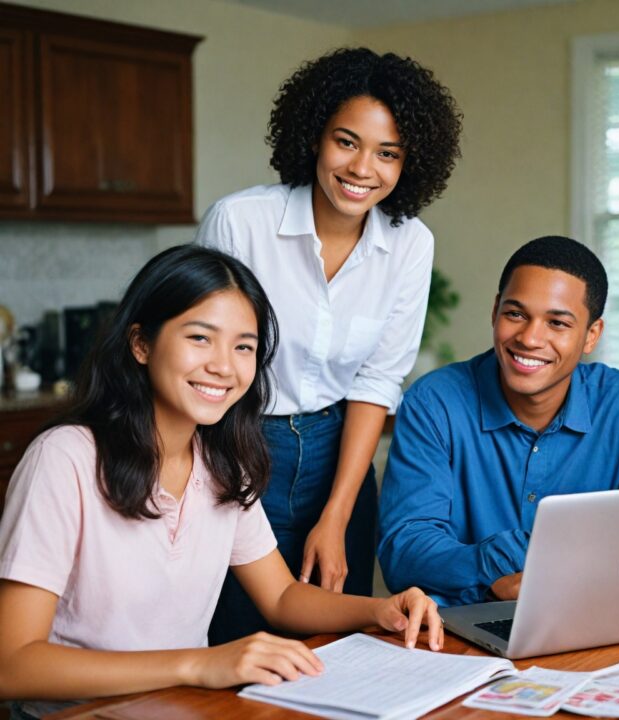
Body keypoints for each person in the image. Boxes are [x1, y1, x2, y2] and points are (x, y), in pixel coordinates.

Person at [0, 246, 441, 720]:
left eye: (243, 347)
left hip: (183, 708)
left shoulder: (223, 462)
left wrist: (379, 611)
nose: (224, 367)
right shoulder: (65, 457)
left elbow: (281, 597)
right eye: (200, 338)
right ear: (140, 344)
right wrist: (200, 663)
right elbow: (12, 666)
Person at [195, 47, 462, 642]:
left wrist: (337, 513)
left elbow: (375, 382)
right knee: (239, 640)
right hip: (236, 441)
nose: (363, 167)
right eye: (347, 142)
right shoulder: (240, 222)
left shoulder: (411, 244)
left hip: (339, 451)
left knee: (342, 647)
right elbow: (207, 363)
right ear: (314, 136)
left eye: (387, 153)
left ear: (409, 163)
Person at [378, 236, 619, 607]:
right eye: (516, 314)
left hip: (594, 614)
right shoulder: (434, 404)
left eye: (557, 323)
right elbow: (404, 550)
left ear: (591, 335)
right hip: (461, 631)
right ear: (495, 311)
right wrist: (494, 570)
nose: (529, 338)